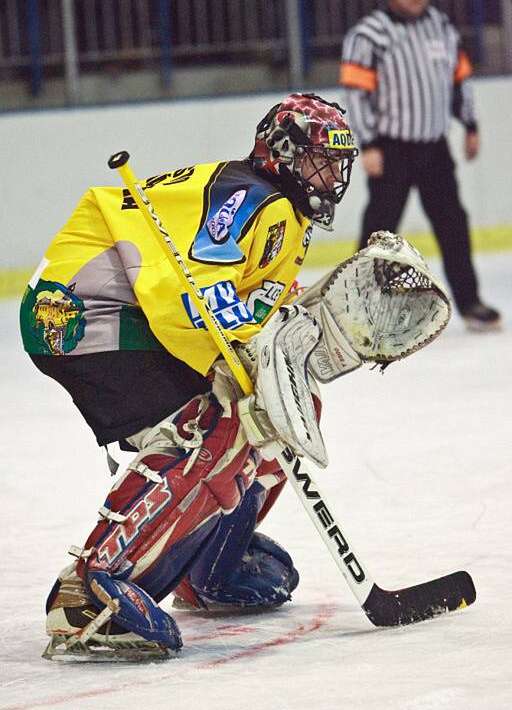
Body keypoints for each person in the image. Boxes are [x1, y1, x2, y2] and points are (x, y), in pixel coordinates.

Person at [19, 93, 360, 660]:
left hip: (118, 310)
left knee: (279, 406)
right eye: (320, 160)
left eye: (337, 164)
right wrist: (226, 362)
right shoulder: (250, 198)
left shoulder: (284, 215)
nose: (331, 177)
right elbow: (189, 294)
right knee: (211, 425)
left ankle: (203, 564)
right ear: (282, 152)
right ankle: (91, 590)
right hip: (82, 312)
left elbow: (252, 303)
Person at [339, 0, 501, 332]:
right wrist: (370, 143)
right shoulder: (370, 33)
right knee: (380, 227)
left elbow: (460, 79)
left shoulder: (441, 27)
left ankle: (470, 301)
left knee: (453, 224)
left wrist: (471, 123)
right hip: (392, 148)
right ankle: (357, 304)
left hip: (434, 147)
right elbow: (356, 93)